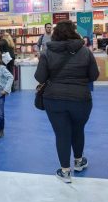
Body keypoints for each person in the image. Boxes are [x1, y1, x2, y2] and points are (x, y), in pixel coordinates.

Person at [34, 20, 99, 183]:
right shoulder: (85, 51)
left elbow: (40, 77)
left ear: (55, 33)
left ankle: (65, 171)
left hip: (54, 99)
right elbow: (94, 75)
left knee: (61, 133)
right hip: (81, 98)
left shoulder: (47, 51)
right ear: (74, 32)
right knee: (78, 129)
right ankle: (78, 161)